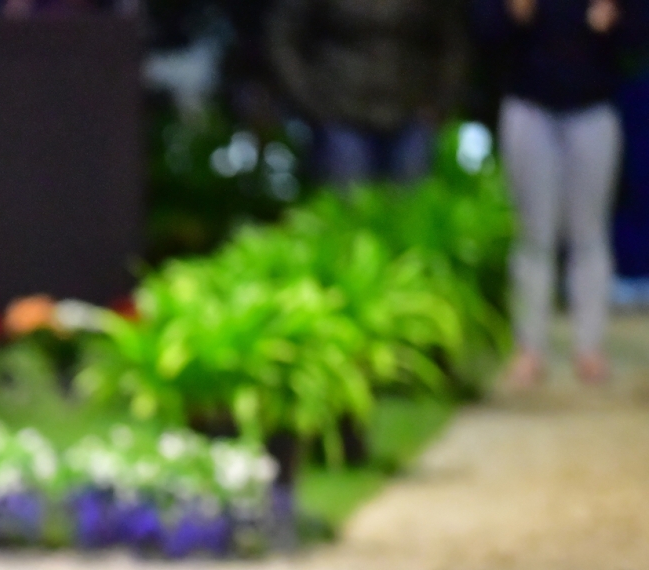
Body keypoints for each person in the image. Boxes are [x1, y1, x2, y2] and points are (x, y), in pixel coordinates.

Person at [476, 0, 649, 385]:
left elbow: (638, 34)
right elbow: (483, 29)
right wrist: (512, 14)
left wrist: (616, 20)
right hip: (529, 104)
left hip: (593, 106)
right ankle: (529, 349)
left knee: (590, 235)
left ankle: (590, 348)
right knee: (533, 236)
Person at [267, 0, 468, 184]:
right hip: (340, 113)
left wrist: (439, 102)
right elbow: (283, 36)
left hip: (411, 113)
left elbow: (452, 41)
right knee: (347, 206)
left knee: (414, 207)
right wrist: (310, 101)